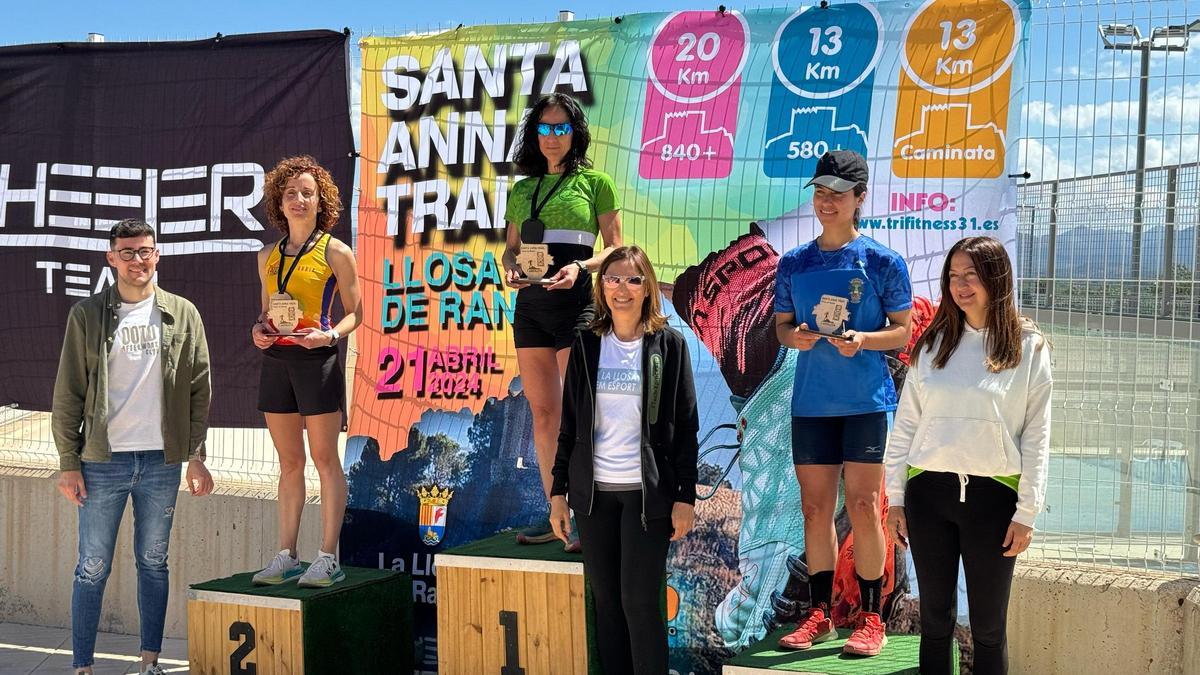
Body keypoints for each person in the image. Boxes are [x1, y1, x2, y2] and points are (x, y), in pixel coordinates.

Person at [53, 219, 215, 675]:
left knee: (154, 563)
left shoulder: (183, 313)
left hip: (161, 463)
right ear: (111, 258)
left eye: (145, 251)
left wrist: (196, 456)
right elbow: (68, 394)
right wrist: (69, 463)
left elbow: (199, 389)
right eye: (127, 252)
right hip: (102, 462)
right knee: (91, 566)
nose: (137, 260)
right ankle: (83, 667)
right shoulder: (86, 316)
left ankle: (149, 662)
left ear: (157, 255)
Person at [884, 237, 1052, 675]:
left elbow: (1038, 434)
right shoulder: (933, 343)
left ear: (996, 277)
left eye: (971, 275)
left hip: (994, 500)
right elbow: (905, 427)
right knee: (935, 624)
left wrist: (1027, 512)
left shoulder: (1028, 346)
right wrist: (896, 498)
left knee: (988, 627)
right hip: (929, 496)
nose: (960, 286)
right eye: (953, 276)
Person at [774, 150, 912, 656]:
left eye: (838, 192)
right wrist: (799, 338)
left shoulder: (882, 261)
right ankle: (820, 615)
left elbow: (903, 330)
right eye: (820, 191)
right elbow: (782, 327)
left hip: (866, 403)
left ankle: (871, 618)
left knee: (861, 509)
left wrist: (862, 338)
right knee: (814, 510)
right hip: (811, 404)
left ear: (860, 198)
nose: (826, 201)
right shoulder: (794, 262)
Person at [548, 245, 698, 674]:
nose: (622, 289)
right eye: (613, 279)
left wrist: (685, 496)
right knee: (608, 604)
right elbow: (570, 424)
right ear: (602, 287)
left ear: (647, 287)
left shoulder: (668, 344)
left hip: (646, 499)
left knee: (639, 602)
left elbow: (686, 426)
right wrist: (558, 493)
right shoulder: (587, 344)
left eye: (633, 279)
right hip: (593, 498)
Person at [503, 93, 623, 546]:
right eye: (545, 128)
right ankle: (558, 511)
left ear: (575, 133)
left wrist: (580, 268)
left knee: (581, 411)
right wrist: (512, 267)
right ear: (535, 135)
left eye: (562, 128)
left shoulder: (596, 182)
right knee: (543, 414)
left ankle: (590, 513)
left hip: (578, 305)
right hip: (531, 308)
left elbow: (615, 248)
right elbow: (510, 247)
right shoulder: (522, 190)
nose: (553, 137)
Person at [250, 155, 362, 587]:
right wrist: (259, 331)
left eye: (307, 194)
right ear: (279, 200)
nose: (299, 200)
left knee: (324, 459)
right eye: (291, 192)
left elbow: (357, 313)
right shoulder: (267, 255)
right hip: (278, 363)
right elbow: (265, 313)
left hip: (318, 361)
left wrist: (330, 338)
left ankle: (328, 556)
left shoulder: (335, 250)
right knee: (289, 462)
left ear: (321, 201)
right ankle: (286, 554)